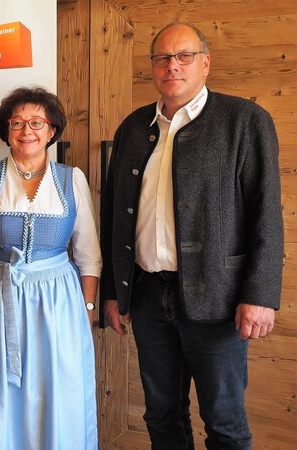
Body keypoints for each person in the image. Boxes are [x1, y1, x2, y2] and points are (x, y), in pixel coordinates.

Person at [100, 22, 282, 449]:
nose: (172, 66)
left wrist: (260, 295)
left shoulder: (245, 121)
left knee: (224, 421)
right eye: (162, 58)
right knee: (161, 414)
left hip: (218, 299)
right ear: (152, 68)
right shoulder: (133, 127)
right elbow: (115, 217)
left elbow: (266, 215)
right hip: (147, 295)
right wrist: (115, 290)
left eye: (183, 56)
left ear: (205, 63)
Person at [0, 86, 101, 450]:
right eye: (18, 122)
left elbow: (88, 255)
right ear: (6, 130)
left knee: (55, 389)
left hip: (58, 302)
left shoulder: (72, 180)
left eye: (37, 122)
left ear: (52, 130)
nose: (28, 130)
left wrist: (87, 309)